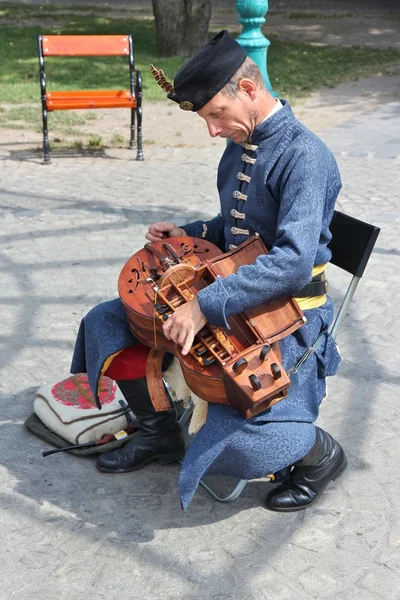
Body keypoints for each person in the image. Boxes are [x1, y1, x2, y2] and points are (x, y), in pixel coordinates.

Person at [71, 30, 347, 512]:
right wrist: (187, 231)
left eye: (216, 115)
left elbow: (292, 260)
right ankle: (159, 434)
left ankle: (320, 455)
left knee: (243, 447)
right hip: (229, 293)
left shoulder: (305, 155)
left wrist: (204, 306)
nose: (213, 131)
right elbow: (235, 228)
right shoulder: (242, 142)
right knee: (107, 323)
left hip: (287, 317)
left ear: (247, 89)